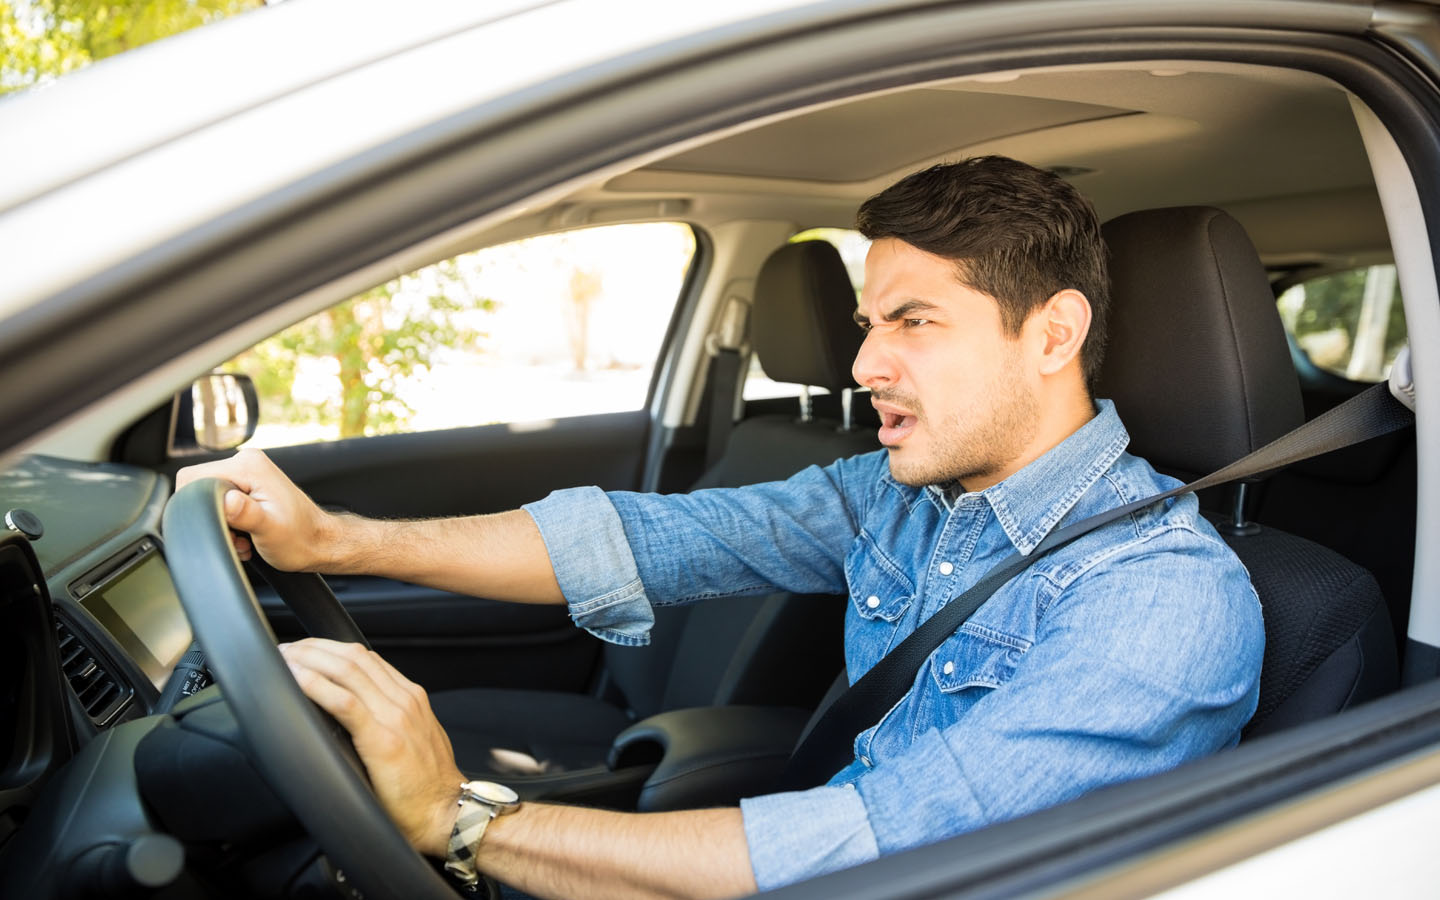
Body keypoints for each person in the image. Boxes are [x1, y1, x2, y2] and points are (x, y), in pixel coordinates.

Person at [176, 156, 1264, 900]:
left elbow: (869, 856)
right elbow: (645, 540)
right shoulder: (901, 495)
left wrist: (466, 824)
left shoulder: (1161, 600)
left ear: (1054, 334)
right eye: (867, 325)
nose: (863, 365)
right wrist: (341, 542)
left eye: (915, 324)